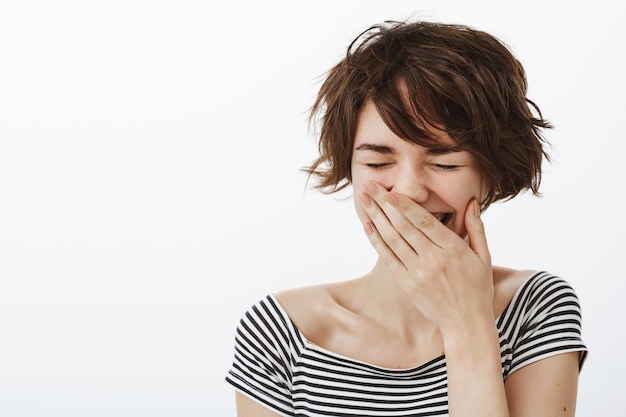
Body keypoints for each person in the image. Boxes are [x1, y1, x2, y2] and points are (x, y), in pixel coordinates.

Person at [225, 19, 587, 416]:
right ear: (351, 169)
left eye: (445, 163)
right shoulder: (279, 332)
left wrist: (466, 324)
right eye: (378, 161)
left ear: (490, 174)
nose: (411, 191)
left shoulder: (536, 307)